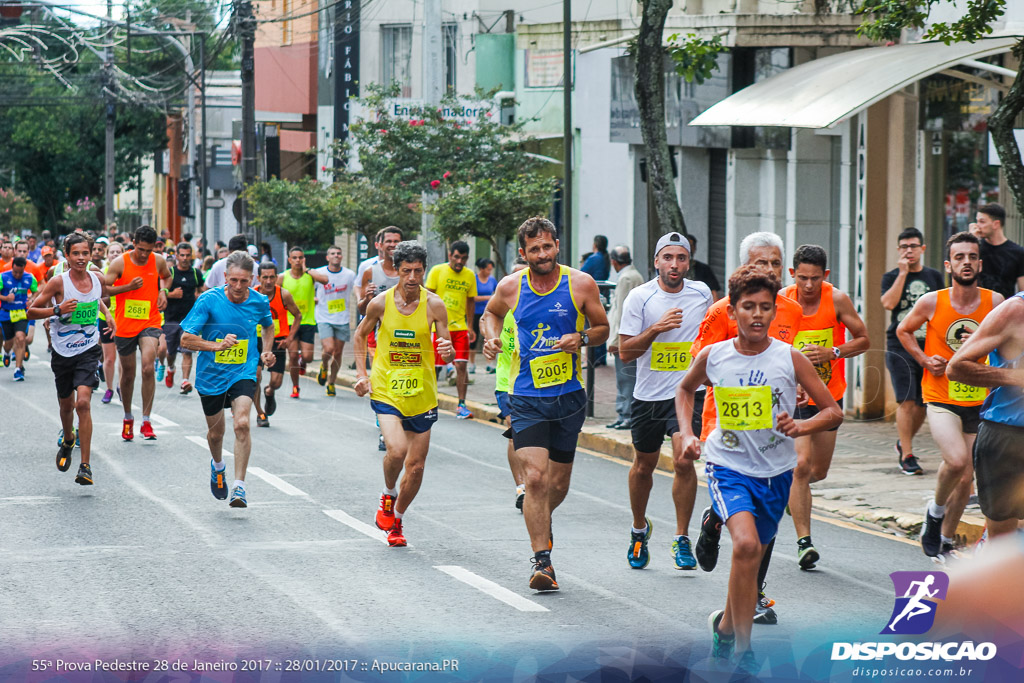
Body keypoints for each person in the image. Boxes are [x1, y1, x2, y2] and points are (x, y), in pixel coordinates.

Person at [677, 264, 842, 668]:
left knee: (750, 561)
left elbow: (833, 412)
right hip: (726, 466)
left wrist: (800, 424)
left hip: (776, 473)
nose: (756, 315)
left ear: (773, 312)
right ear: (731, 312)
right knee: (747, 546)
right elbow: (683, 388)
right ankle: (744, 652)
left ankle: (725, 629)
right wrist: (687, 433)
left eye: (765, 308)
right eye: (747, 307)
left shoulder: (790, 358)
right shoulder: (714, 355)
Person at [482, 217, 610, 592]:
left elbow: (603, 327)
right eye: (534, 249)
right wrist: (490, 339)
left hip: (568, 397)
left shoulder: (580, 284)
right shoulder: (511, 287)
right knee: (535, 478)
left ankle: (541, 522)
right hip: (526, 397)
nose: (542, 254)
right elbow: (490, 314)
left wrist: (582, 337)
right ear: (523, 253)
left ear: (557, 246)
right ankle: (543, 561)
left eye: (547, 247)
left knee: (558, 483)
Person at [690, 231, 803, 625]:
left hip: (772, 439)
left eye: (775, 263)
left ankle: (749, 597)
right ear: (744, 270)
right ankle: (717, 520)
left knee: (760, 536)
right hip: (725, 431)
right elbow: (699, 367)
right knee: (747, 537)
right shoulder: (723, 311)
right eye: (760, 264)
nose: (769, 270)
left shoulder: (789, 309)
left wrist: (792, 389)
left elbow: (787, 363)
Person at [897, 232, 1001, 559]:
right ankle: (936, 510)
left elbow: (1008, 342)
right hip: (940, 394)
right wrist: (925, 359)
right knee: (955, 460)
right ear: (948, 264)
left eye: (972, 256)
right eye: (959, 257)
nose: (966, 262)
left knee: (967, 477)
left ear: (980, 263)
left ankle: (943, 539)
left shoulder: (996, 302)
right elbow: (903, 330)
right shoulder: (932, 301)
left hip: (979, 399)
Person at [617, 232, 711, 570]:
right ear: (656, 261)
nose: (675, 264)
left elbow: (712, 336)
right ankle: (639, 529)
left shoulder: (701, 293)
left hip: (688, 393)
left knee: (685, 459)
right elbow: (626, 352)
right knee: (644, 466)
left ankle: (682, 538)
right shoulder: (639, 298)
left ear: (689, 262)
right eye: (668, 257)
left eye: (681, 258)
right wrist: (656, 329)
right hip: (648, 397)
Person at [354, 241, 454, 547]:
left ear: (424, 270)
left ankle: (396, 519)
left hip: (422, 393)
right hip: (386, 389)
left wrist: (447, 352)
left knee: (417, 466)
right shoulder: (380, 304)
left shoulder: (435, 305)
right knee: (396, 451)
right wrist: (361, 375)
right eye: (406, 270)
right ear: (396, 270)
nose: (412, 277)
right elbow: (360, 335)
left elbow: (447, 351)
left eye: (418, 271)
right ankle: (388, 492)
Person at [781, 245, 869, 569]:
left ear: (825, 276)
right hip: (793, 397)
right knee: (800, 465)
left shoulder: (837, 299)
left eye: (814, 279)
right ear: (792, 274)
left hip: (829, 397)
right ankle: (805, 542)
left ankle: (794, 494)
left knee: (817, 471)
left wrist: (833, 352)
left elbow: (863, 339)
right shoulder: (781, 302)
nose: (807, 285)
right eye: (802, 278)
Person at [180, 251, 276, 508]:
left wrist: (267, 351)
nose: (237, 287)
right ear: (225, 277)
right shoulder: (208, 301)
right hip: (211, 376)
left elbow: (268, 326)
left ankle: (239, 487)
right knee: (216, 434)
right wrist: (216, 346)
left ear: (252, 279)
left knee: (242, 423)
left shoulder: (259, 301)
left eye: (244, 281)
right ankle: (218, 466)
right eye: (233, 280)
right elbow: (186, 339)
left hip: (242, 371)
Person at [26, 234, 112, 485]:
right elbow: (31, 310)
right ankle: (68, 439)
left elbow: (97, 300)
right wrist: (57, 310)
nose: (82, 258)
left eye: (86, 253)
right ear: (67, 255)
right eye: (76, 254)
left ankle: (85, 466)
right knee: (67, 406)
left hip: (87, 349)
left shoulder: (97, 278)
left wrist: (108, 316)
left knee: (83, 402)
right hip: (62, 352)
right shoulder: (57, 282)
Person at [947, 275, 1024, 545]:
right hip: (1006, 435)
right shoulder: (1014, 311)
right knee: (1003, 540)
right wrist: (1016, 378)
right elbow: (956, 367)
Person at [880, 227, 945, 475]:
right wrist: (903, 274)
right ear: (899, 250)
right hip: (900, 345)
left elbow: (941, 307)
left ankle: (902, 441)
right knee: (906, 400)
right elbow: (888, 303)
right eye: (905, 247)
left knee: (922, 403)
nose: (909, 251)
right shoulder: (891, 276)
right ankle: (907, 454)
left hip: (929, 345)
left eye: (913, 246)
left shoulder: (934, 276)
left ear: (923, 249)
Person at [103, 226, 172, 441]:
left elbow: (167, 277)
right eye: (141, 249)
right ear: (133, 242)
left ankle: (147, 420)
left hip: (149, 321)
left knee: (148, 367)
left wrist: (163, 290)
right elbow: (104, 289)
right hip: (125, 324)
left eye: (148, 250)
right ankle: (127, 417)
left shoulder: (158, 261)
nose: (144, 254)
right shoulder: (120, 263)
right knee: (128, 374)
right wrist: (128, 287)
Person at [426, 241, 477, 419]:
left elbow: (471, 301)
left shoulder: (470, 275)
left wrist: (470, 325)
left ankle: (461, 405)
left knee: (461, 365)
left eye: (463, 258)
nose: (459, 261)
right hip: (438, 328)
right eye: (456, 257)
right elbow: (426, 296)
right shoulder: (437, 271)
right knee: (434, 368)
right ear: (450, 255)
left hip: (459, 328)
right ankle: (429, 403)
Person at [494, 258, 529, 510]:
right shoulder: (503, 307)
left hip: (536, 383)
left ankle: (535, 481)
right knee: (514, 431)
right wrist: (489, 339)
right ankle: (522, 487)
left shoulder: (537, 308)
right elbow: (489, 320)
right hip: (506, 381)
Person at [252, 261, 302, 428]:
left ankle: (269, 391)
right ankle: (260, 413)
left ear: (276, 277)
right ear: (258, 278)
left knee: (277, 382)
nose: (268, 281)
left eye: (272, 277)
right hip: (257, 341)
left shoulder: (284, 295)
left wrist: (289, 338)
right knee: (256, 376)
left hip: (278, 342)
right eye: (264, 277)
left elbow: (298, 316)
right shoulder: (252, 294)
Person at [606, 244, 644, 430]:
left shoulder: (627, 278)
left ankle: (626, 414)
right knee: (626, 377)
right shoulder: (633, 275)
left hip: (626, 339)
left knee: (625, 378)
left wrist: (615, 341)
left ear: (614, 262)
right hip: (632, 337)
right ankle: (624, 413)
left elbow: (622, 312)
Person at [162, 241, 205, 394]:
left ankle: (185, 381)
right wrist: (172, 294)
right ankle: (171, 368)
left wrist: (200, 297)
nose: (185, 258)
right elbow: (161, 292)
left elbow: (202, 290)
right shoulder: (170, 273)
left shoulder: (195, 273)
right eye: (182, 255)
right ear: (177, 256)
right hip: (171, 318)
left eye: (188, 255)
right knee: (170, 352)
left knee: (187, 351)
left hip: (190, 320)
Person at [312, 245, 355, 396]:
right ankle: (324, 366)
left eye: (338, 253)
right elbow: (309, 288)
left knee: (337, 353)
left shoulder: (349, 275)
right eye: (333, 253)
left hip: (342, 318)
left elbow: (356, 290)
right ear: (327, 257)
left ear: (342, 256)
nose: (336, 255)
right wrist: (313, 298)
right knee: (328, 349)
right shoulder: (320, 273)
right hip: (324, 316)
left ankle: (331, 382)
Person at [279, 246, 321, 398]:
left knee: (308, 357)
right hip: (290, 321)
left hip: (307, 321)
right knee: (293, 356)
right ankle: (295, 386)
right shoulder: (283, 277)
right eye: (295, 258)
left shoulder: (310, 276)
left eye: (301, 257)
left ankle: (304, 361)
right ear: (289, 260)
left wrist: (307, 269)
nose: (298, 260)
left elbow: (325, 280)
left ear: (304, 259)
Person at [970, 203, 1024, 300]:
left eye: (982, 222)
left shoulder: (1018, 253)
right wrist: (972, 241)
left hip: (1004, 308)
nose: (977, 226)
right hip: (976, 307)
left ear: (996, 224)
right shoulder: (975, 249)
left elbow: (1022, 290)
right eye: (977, 221)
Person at [1, 256, 38, 380]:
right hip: (6, 313)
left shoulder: (29, 277)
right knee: (9, 343)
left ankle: (18, 369)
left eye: (20, 272)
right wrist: (6, 298)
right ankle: (6, 352)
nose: (17, 275)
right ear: (12, 267)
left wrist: (32, 299)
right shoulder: (3, 277)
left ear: (24, 269)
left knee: (21, 338)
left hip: (22, 313)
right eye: (15, 272)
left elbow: (36, 291)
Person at [98, 240, 123, 404]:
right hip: (106, 318)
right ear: (107, 255)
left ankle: (121, 386)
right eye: (112, 252)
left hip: (123, 319)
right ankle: (109, 388)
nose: (115, 254)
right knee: (109, 358)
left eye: (118, 252)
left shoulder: (127, 272)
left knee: (123, 357)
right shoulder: (102, 273)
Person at [581, 234, 611, 366]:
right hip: (603, 294)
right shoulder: (606, 259)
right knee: (601, 324)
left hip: (593, 295)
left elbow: (581, 273)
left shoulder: (594, 258)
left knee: (591, 326)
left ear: (595, 245)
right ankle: (600, 357)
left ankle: (592, 360)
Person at [470, 257, 497, 373]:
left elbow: (497, 294)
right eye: (488, 269)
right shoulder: (474, 279)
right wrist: (488, 297)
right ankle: (471, 363)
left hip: (489, 313)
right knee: (473, 339)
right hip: (475, 312)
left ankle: (489, 363)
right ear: (481, 269)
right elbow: (472, 297)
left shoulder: (492, 280)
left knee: (489, 336)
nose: (489, 272)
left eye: (491, 270)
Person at [685, 234, 722, 301]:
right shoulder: (675, 269)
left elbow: (713, 292)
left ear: (695, 248)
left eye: (691, 246)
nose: (689, 249)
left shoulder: (704, 269)